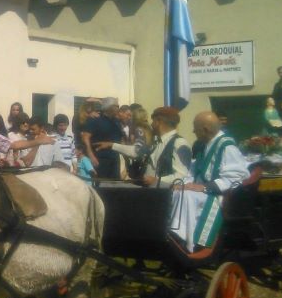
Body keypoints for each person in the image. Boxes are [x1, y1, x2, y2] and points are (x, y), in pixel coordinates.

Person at [170, 111, 250, 252]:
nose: (193, 131)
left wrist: (205, 187)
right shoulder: (203, 146)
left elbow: (236, 177)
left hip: (217, 195)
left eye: (195, 128)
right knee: (177, 192)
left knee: (186, 195)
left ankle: (186, 240)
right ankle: (175, 233)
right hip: (202, 192)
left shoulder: (227, 147)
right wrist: (183, 184)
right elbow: (194, 171)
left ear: (205, 130)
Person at [96, 106, 192, 187]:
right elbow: (137, 152)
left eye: (153, 121)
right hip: (147, 190)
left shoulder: (179, 143)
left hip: (163, 195)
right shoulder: (156, 141)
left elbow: (181, 176)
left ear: (158, 122)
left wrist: (156, 180)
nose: (151, 124)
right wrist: (112, 145)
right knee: (105, 185)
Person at [82, 100, 124, 180]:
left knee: (115, 184)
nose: (118, 108)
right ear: (109, 107)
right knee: (101, 184)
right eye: (116, 106)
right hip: (100, 159)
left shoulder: (117, 122)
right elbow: (85, 137)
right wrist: (91, 155)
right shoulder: (95, 119)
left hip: (115, 159)